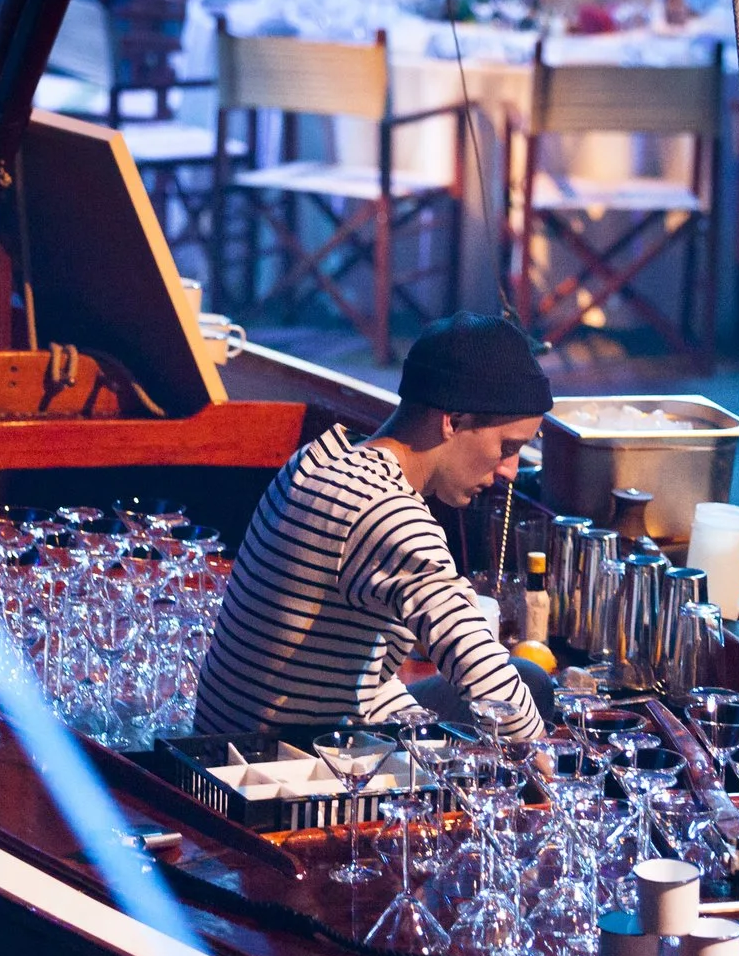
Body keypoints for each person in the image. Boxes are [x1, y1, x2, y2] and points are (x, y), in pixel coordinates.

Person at [195, 314, 552, 744]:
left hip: (227, 735)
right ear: (453, 421)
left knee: (526, 676)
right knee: (523, 690)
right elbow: (482, 669)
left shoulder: (321, 458)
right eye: (507, 447)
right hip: (283, 764)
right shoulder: (385, 509)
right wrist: (546, 770)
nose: (511, 471)